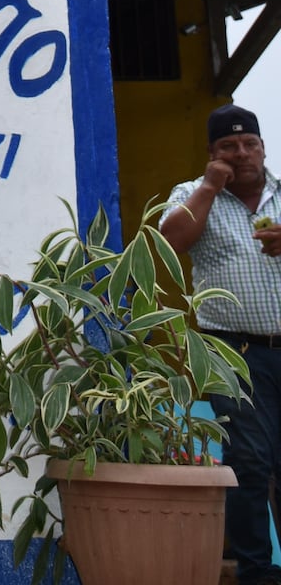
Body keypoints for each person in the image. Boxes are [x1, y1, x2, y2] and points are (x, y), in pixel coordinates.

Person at [161, 103, 281, 585]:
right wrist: (210, 186)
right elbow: (170, 241)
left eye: (249, 143)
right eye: (228, 146)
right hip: (233, 352)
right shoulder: (193, 194)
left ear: (263, 147)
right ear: (212, 154)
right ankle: (258, 573)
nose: (242, 153)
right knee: (250, 460)